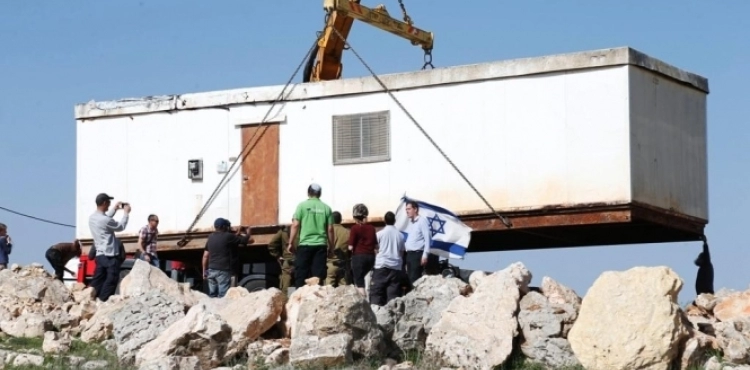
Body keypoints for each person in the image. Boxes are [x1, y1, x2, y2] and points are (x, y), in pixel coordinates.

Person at [287, 183, 334, 288]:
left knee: (301, 275)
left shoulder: (301, 206)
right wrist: (331, 246)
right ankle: (316, 300)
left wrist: (290, 243)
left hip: (305, 246)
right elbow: (330, 229)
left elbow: (295, 225)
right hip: (320, 246)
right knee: (318, 276)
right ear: (320, 194)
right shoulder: (326, 208)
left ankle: (301, 299)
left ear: (308, 193)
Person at [88, 193, 130, 302]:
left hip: (100, 254)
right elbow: (120, 227)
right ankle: (102, 301)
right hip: (110, 254)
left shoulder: (92, 218)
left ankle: (90, 299)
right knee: (112, 279)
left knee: (98, 279)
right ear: (104, 203)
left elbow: (104, 219)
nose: (109, 204)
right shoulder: (105, 220)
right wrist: (126, 213)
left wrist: (114, 209)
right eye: (108, 202)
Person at [202, 218, 252, 298]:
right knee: (223, 296)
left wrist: (204, 272)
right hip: (223, 271)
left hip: (211, 270)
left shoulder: (210, 237)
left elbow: (205, 256)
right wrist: (248, 231)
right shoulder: (228, 236)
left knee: (212, 295)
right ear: (224, 227)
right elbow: (245, 240)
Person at [370, 211, 406, 306]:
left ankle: (376, 316)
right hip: (395, 267)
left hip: (381, 266)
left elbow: (374, 248)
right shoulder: (400, 235)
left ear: (384, 221)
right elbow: (402, 252)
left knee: (376, 294)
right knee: (393, 296)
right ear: (395, 221)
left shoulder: (380, 234)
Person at [348, 203, 377, 297]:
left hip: (359, 257)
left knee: (359, 282)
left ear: (355, 217)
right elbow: (376, 245)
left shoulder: (354, 228)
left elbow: (350, 247)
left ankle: (362, 303)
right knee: (368, 280)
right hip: (371, 257)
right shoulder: (372, 228)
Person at [403, 200, 432, 284]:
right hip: (409, 254)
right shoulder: (411, 223)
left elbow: (427, 238)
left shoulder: (422, 221)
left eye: (409, 209)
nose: (407, 211)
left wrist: (425, 255)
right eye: (406, 210)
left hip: (417, 254)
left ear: (415, 209)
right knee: (409, 278)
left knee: (414, 279)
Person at [268, 222, 298, 295]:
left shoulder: (284, 230)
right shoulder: (302, 229)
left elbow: (272, 245)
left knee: (287, 283)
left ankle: (287, 301)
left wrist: (278, 256)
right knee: (299, 283)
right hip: (300, 259)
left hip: (288, 260)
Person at [326, 211, 350, 287]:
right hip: (342, 264)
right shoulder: (347, 232)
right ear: (341, 220)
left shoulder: (326, 231)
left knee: (328, 290)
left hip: (330, 263)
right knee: (344, 290)